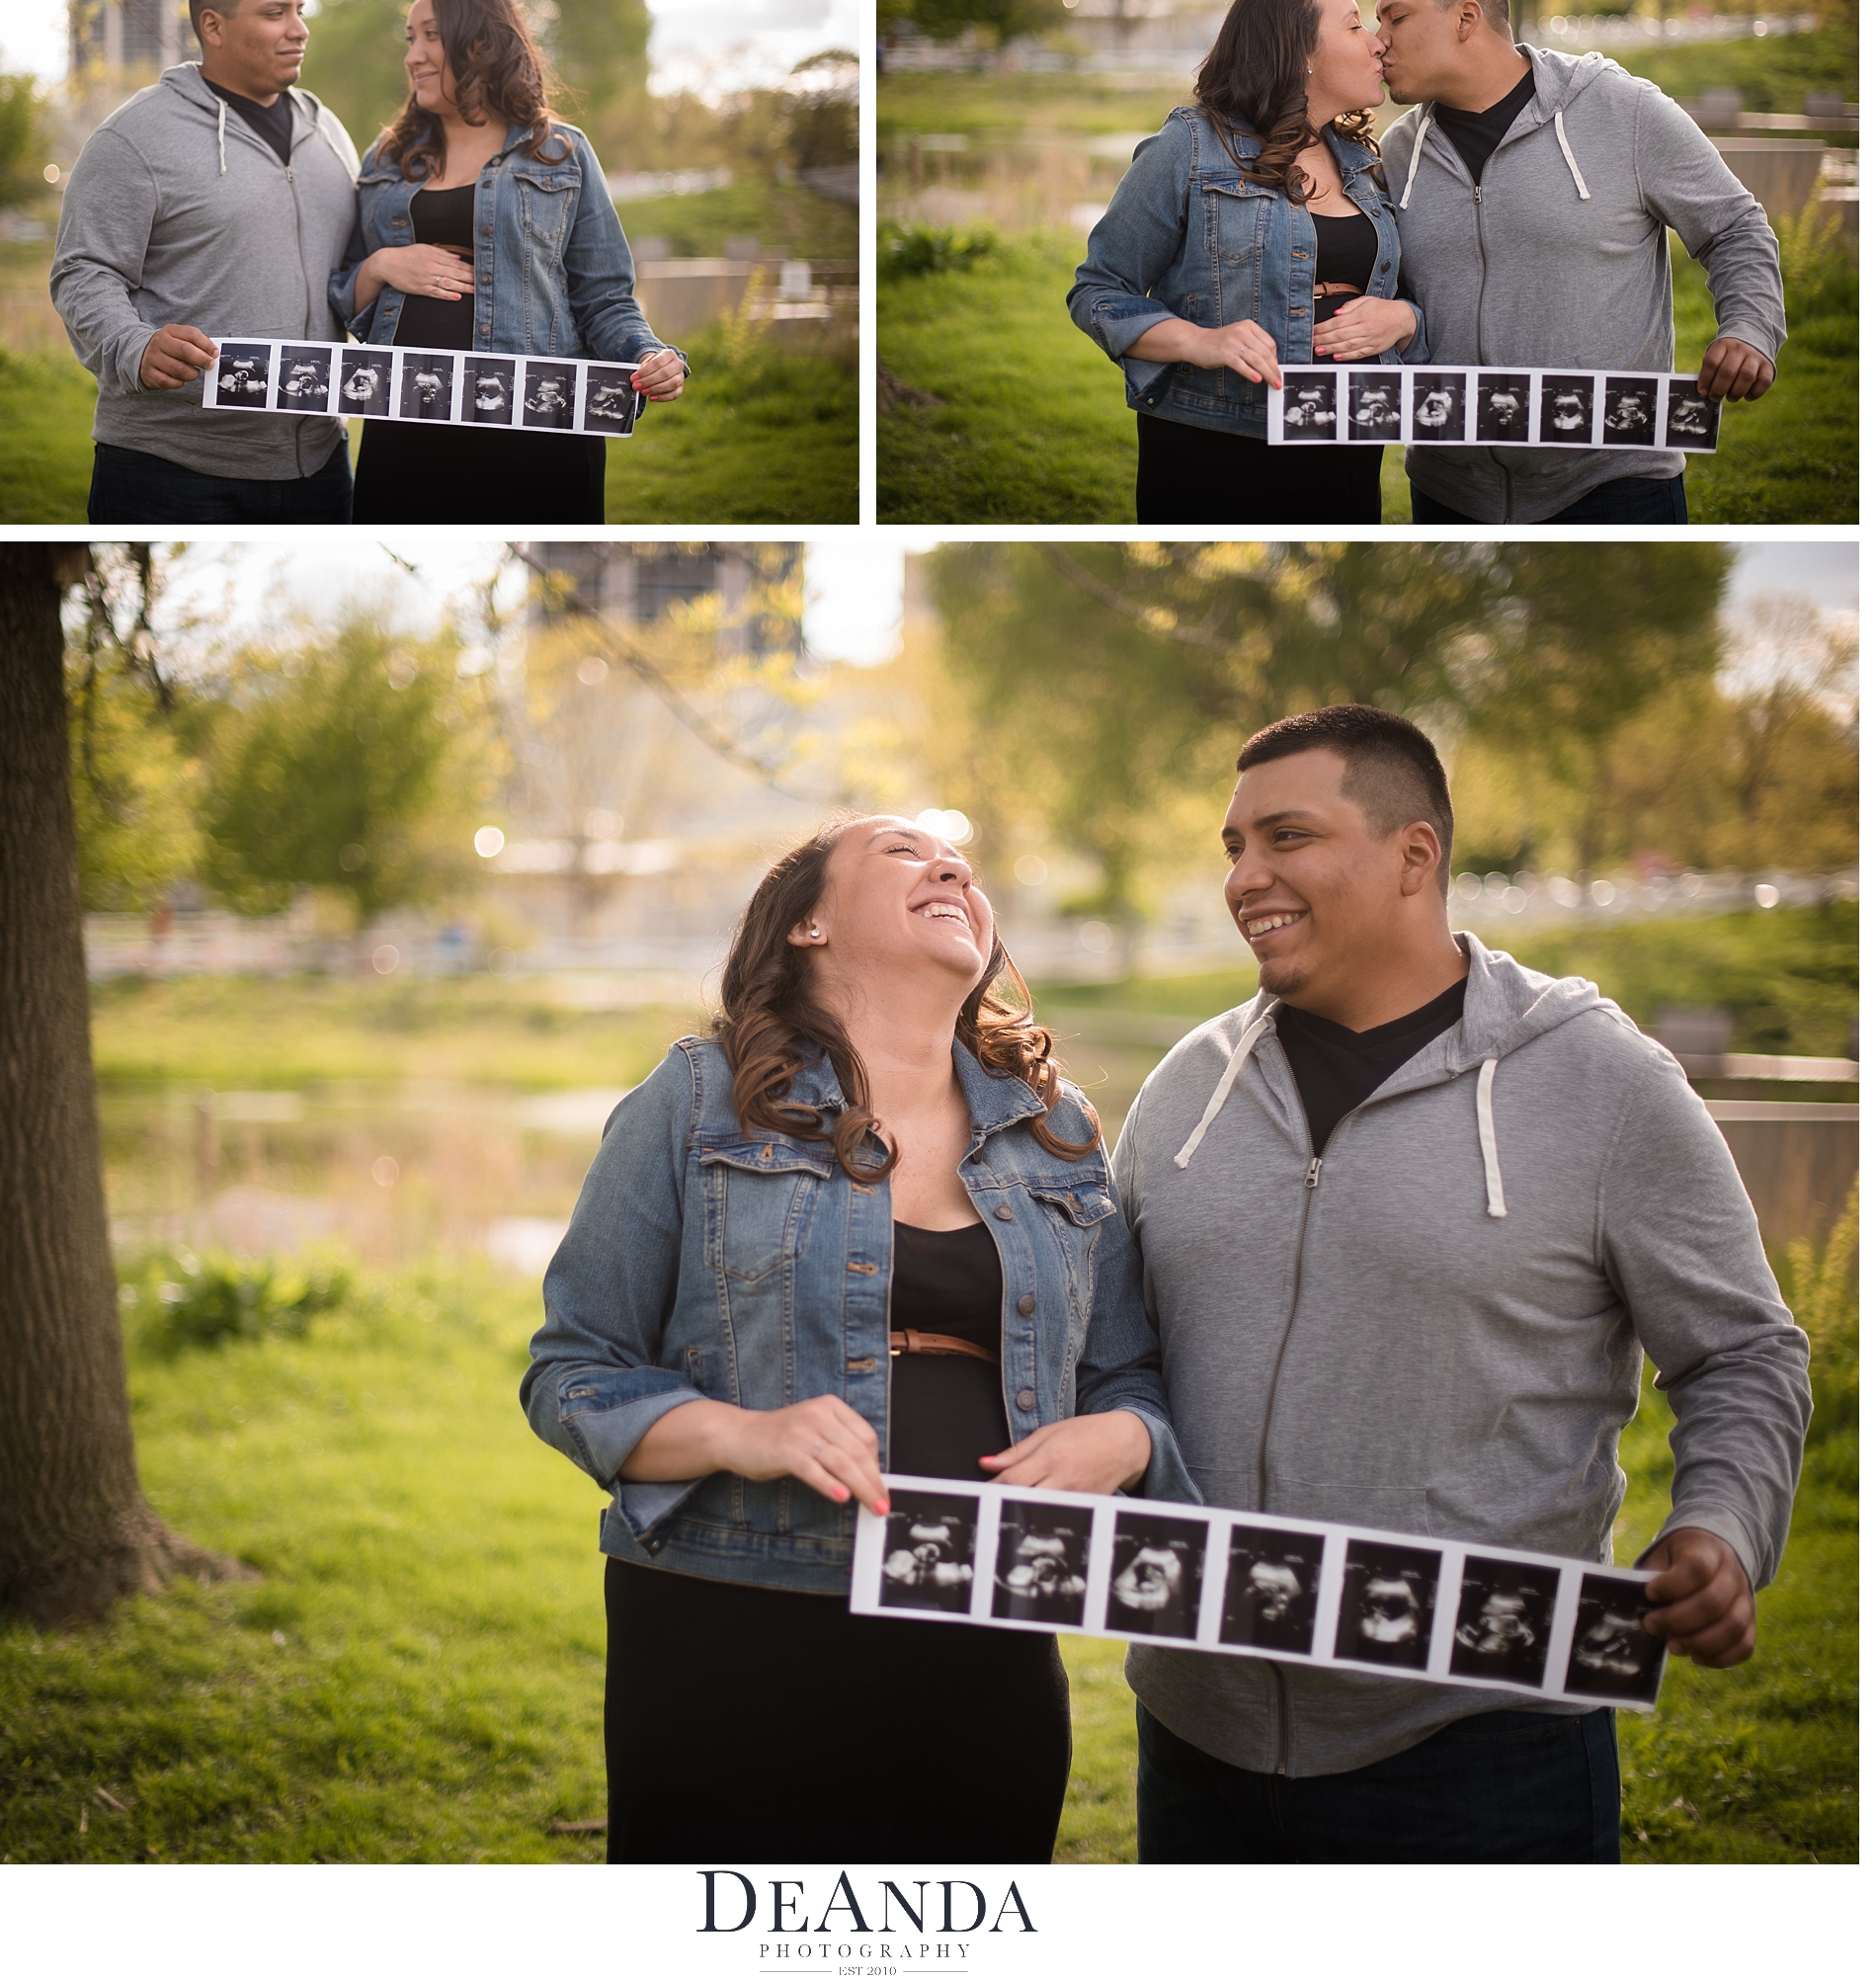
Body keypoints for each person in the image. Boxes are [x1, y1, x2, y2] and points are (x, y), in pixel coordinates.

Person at [1112, 703, 1811, 1863]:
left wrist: (1724, 1528)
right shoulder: (1188, 1087)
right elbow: (1115, 1354)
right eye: (1233, 846)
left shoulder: (1602, 1083)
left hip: (1482, 1748)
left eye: (1286, 837)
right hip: (1194, 1735)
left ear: (1413, 856)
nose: (1246, 877)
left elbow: (1740, 1350)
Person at [522, 815, 1194, 1863]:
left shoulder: (1057, 1131)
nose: (950, 867)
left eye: (960, 864)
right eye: (901, 852)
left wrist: (1128, 1442)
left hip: (988, 1631)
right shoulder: (698, 1100)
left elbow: (1126, 1377)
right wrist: (742, 1433)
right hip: (736, 1629)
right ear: (808, 925)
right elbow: (571, 1371)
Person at [1374, 0, 1786, 524]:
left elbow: (1735, 227)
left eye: (1397, 17)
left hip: (1614, 484)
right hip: (1448, 492)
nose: (1378, 40)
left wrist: (1750, 327)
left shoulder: (1625, 111)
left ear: (1466, 18)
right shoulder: (1396, 152)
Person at [1068, 0, 1423, 527]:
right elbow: (1098, 289)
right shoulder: (1189, 146)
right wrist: (1200, 341)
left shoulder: (1367, 163)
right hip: (1216, 447)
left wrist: (1401, 319)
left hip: (1348, 447)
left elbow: (1404, 295)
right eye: (1356, 26)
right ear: (1299, 51)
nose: (1378, 41)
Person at [332, 0, 686, 526]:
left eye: (430, 36)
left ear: (479, 44)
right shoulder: (387, 157)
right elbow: (344, 294)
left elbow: (604, 298)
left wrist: (646, 355)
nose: (413, 56)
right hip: (404, 429)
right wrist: (382, 264)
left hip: (537, 430)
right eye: (410, 38)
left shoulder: (561, 152)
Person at [51, 0, 362, 525]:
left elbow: (348, 268)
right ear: (213, 26)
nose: (299, 30)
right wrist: (133, 345)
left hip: (320, 464)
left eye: (301, 10)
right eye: (275, 13)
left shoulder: (328, 132)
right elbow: (82, 271)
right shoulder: (134, 136)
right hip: (169, 468)